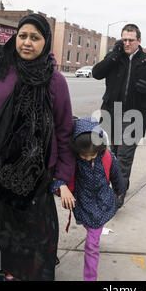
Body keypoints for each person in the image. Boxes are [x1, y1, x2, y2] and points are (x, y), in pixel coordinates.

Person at [0, 14, 75, 281]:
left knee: (33, 243)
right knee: (0, 238)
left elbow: (64, 129)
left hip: (37, 178)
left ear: (45, 42)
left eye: (35, 37)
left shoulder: (56, 81)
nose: (26, 42)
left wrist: (61, 176)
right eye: (23, 36)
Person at [92, 24, 146, 208]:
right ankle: (119, 186)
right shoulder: (115, 57)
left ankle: (118, 195)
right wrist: (114, 55)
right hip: (112, 114)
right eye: (124, 39)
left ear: (139, 41)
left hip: (135, 116)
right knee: (112, 155)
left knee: (124, 157)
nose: (127, 43)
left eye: (131, 40)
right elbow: (97, 73)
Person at [52, 117, 125, 281]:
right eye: (84, 156)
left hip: (103, 203)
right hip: (82, 205)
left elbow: (116, 175)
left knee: (91, 245)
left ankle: (90, 278)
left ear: (100, 148)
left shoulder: (107, 157)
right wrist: (61, 188)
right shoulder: (71, 161)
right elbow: (59, 177)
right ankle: (95, 236)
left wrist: (120, 191)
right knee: (91, 229)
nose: (88, 158)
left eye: (92, 155)